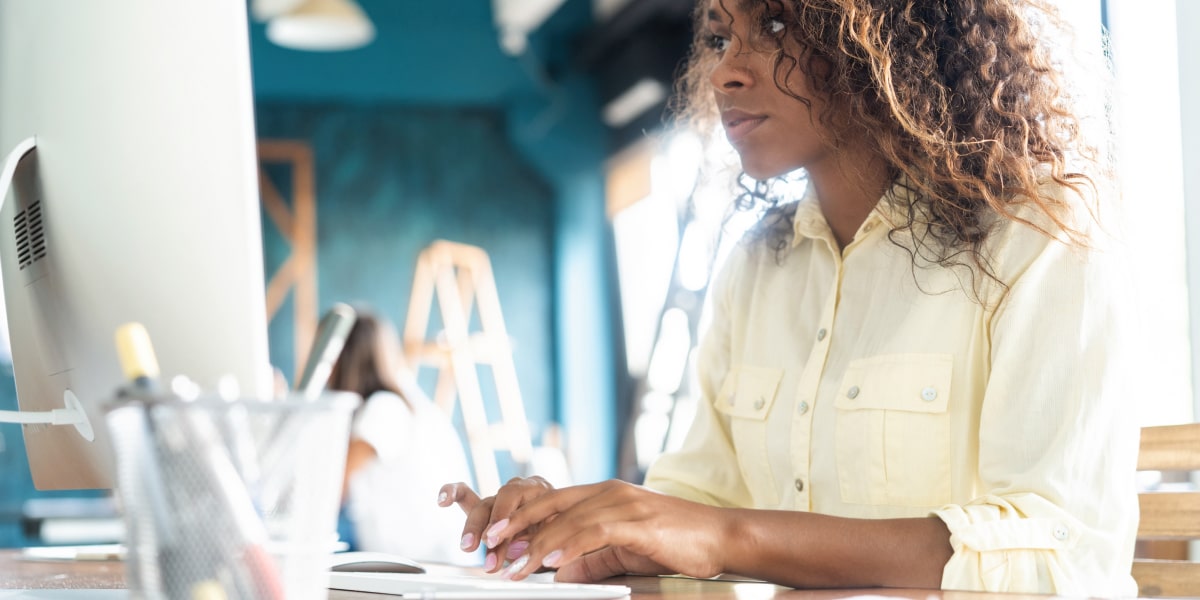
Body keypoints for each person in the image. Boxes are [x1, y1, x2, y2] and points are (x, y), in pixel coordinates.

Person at [439, 0, 1139, 595]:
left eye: (774, 26)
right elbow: (698, 509)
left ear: (888, 37)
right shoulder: (757, 269)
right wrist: (583, 530)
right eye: (719, 37)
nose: (724, 70)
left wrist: (725, 536)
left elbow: (1060, 557)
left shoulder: (1035, 234)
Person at [328, 307, 477, 566]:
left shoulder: (384, 408)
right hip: (435, 561)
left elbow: (332, 490)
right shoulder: (407, 403)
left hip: (430, 565)